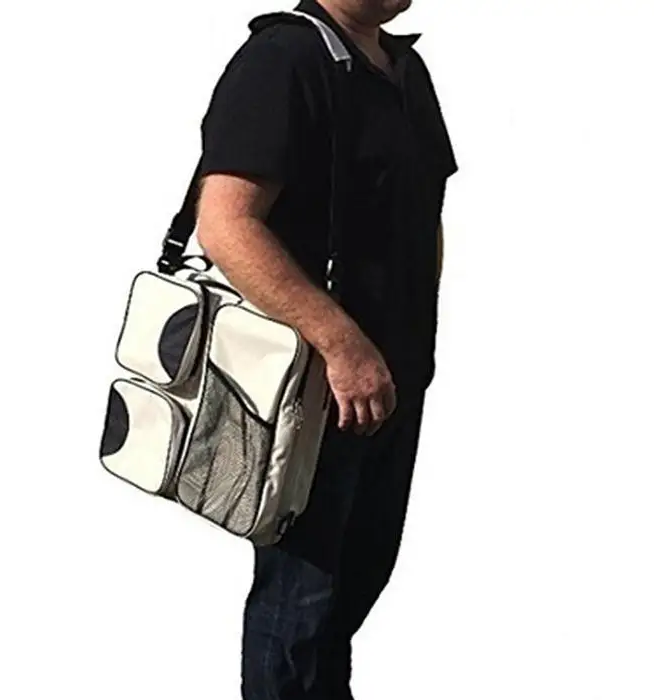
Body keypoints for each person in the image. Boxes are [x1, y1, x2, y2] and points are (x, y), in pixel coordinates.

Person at [195, 1, 459, 697]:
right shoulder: (284, 61)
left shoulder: (404, 68)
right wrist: (342, 344)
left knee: (353, 586)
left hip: (393, 381)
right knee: (300, 604)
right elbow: (226, 225)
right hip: (314, 390)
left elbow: (424, 210)